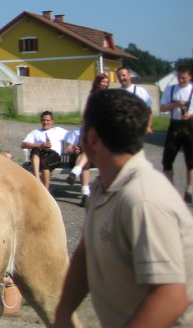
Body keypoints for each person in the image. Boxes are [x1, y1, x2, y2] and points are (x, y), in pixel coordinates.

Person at [53, 89, 193, 328]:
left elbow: (171, 297)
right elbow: (87, 251)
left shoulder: (142, 199)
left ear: (92, 137)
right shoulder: (104, 186)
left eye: (82, 128)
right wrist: (63, 313)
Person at [65, 72, 110, 203]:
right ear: (98, 83)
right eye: (103, 81)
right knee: (86, 155)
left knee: (87, 154)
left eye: (107, 82)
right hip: (91, 150)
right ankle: (85, 194)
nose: (105, 84)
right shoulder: (94, 97)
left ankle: (76, 172)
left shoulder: (105, 97)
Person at [159, 65, 193, 204]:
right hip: (174, 125)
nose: (181, 80)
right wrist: (175, 104)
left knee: (191, 160)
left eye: (184, 78)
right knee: (167, 159)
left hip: (190, 125)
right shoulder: (170, 89)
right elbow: (162, 108)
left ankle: (189, 190)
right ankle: (171, 190)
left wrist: (190, 114)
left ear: (190, 77)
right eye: (179, 77)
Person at [21, 111, 69, 191]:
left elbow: (73, 137)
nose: (45, 122)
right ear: (40, 121)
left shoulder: (58, 130)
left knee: (44, 162)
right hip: (40, 157)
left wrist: (76, 146)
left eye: (48, 120)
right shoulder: (36, 132)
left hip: (54, 156)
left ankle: (45, 190)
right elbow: (23, 144)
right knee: (36, 150)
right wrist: (41, 145)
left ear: (52, 121)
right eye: (43, 120)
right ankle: (37, 177)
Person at [116, 66, 154, 134]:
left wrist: (148, 126)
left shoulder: (140, 91)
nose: (121, 78)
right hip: (122, 129)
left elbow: (149, 111)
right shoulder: (117, 93)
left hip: (137, 128)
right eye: (119, 76)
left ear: (129, 75)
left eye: (123, 75)